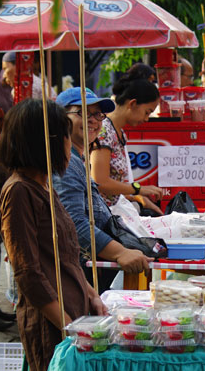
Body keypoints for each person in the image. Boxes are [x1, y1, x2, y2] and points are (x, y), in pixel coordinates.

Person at [0, 98, 107, 371]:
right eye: (64, 135)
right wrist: (66, 325)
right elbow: (28, 272)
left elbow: (67, 255)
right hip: (49, 322)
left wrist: (92, 295)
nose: (71, 143)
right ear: (43, 141)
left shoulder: (44, 185)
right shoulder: (18, 192)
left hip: (72, 313)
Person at [53, 87, 151, 290]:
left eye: (98, 115)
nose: (93, 121)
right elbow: (73, 224)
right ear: (60, 118)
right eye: (83, 113)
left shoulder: (77, 159)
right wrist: (120, 253)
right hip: (74, 278)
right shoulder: (66, 164)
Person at [90, 76, 162, 213]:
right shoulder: (104, 131)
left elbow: (114, 184)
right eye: (147, 112)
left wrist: (138, 197)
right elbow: (100, 181)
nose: (147, 119)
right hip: (100, 213)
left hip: (112, 209)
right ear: (132, 104)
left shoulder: (120, 133)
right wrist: (138, 189)